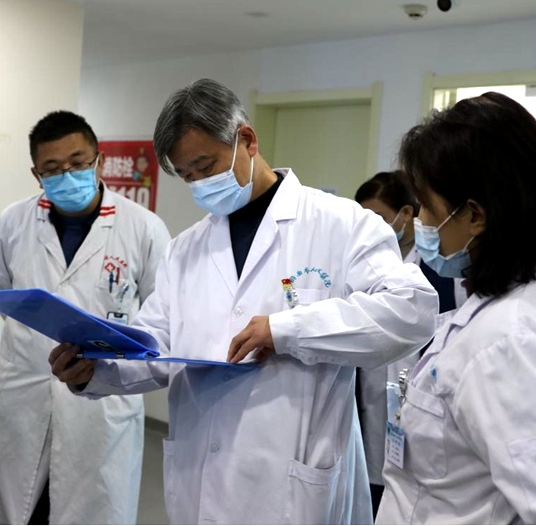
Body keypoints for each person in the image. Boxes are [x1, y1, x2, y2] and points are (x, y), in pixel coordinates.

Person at [49, 79, 439, 524]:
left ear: (247, 140)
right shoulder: (185, 249)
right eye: (187, 176)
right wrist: (96, 370)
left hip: (291, 485)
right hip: (201, 472)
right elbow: (157, 343)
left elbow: (411, 310)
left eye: (205, 166)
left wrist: (286, 330)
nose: (199, 184)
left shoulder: (341, 223)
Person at [0, 111, 171, 525]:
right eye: (52, 169)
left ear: (99, 162)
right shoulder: (13, 222)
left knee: (91, 506)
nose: (67, 175)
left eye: (78, 163)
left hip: (101, 407)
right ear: (36, 174)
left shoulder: (144, 228)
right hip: (23, 393)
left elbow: (162, 317)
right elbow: (2, 296)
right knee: (17, 509)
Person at [376, 92, 536, 524]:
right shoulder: (490, 309)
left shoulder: (505, 341)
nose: (422, 223)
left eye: (428, 208)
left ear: (475, 216)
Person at [353, 170, 466, 516]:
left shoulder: (444, 266)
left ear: (406, 213)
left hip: (428, 399)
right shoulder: (362, 265)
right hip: (373, 404)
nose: (369, 226)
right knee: (376, 487)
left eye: (378, 217)